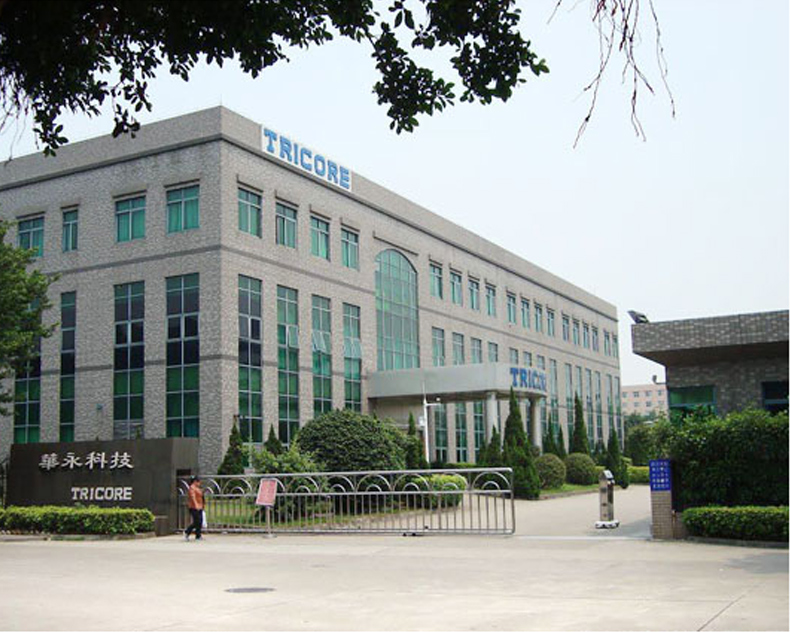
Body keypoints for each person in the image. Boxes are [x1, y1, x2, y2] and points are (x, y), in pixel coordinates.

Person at [184, 476, 205, 541]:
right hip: (193, 507)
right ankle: (187, 531)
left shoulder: (198, 488)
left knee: (200, 521)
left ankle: (198, 535)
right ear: (195, 481)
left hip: (200, 506)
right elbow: (193, 497)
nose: (199, 483)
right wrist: (196, 505)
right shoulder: (192, 488)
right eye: (198, 482)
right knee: (196, 521)